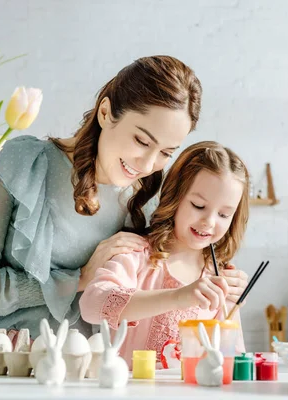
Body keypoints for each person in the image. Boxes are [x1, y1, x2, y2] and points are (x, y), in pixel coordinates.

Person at [0, 55, 248, 368]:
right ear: (105, 112)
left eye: (165, 153)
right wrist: (77, 279)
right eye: (142, 140)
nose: (147, 165)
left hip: (83, 372)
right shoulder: (23, 164)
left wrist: (223, 280)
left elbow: (174, 268)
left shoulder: (145, 199)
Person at [80, 141, 249, 368]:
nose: (209, 222)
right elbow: (91, 305)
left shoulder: (220, 277)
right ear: (175, 197)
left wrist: (234, 305)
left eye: (224, 214)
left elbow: (232, 356)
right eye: (198, 206)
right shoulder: (138, 254)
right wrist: (179, 297)